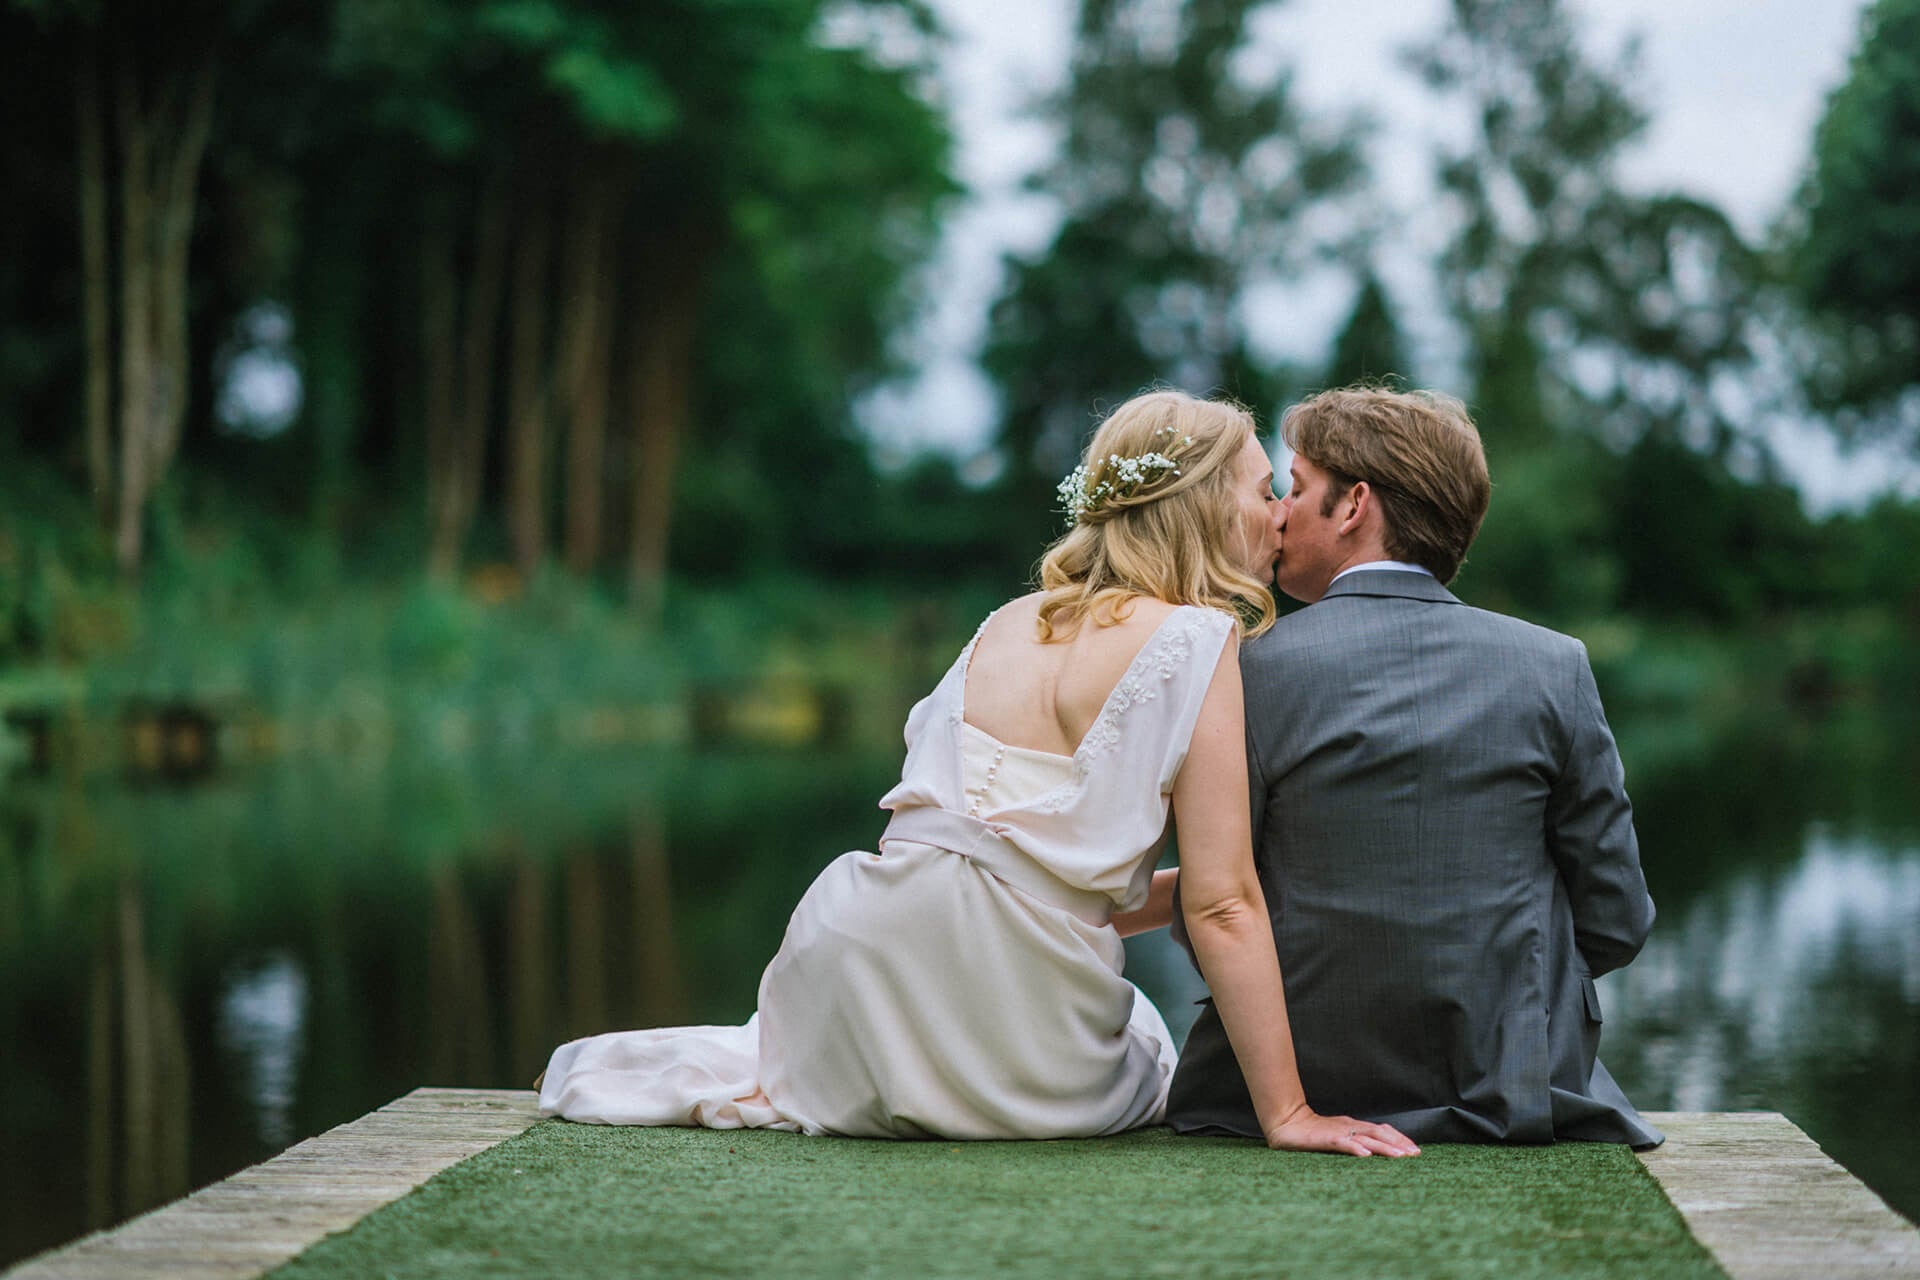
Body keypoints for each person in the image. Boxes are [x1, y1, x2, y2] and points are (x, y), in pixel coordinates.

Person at [539, 389, 1418, 1157]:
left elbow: (1008, 864)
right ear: (1203, 505)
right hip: (1011, 1017)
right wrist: (1290, 1111)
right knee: (1144, 1041)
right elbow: (1223, 906)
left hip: (854, 977)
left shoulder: (1004, 622)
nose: (1277, 514)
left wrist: (1187, 890)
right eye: (1262, 489)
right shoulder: (1197, 639)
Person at [1166, 385, 1662, 1147]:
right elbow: (1618, 918)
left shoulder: (1244, 672)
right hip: (1515, 1086)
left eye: (1296, 489)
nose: (1279, 513)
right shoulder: (1554, 666)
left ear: (1355, 504)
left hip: (1291, 1080)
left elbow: (1203, 912)